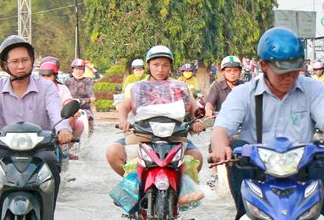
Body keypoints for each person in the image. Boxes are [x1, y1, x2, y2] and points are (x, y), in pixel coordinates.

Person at [210, 27, 324, 220]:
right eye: (282, 73)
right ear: (264, 66)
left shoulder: (314, 89)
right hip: (256, 169)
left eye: (294, 72)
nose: (289, 78)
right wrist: (220, 148)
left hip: (301, 168)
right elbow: (222, 128)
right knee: (236, 148)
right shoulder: (243, 93)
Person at [0, 35, 72, 220]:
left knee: (52, 163)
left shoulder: (46, 87)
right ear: (5, 65)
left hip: (39, 149)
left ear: (32, 61)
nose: (20, 65)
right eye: (14, 61)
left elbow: (56, 112)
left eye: (25, 60)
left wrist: (63, 130)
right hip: (5, 150)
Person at [106, 45, 205, 177]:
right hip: (143, 132)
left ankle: (182, 190)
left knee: (197, 158)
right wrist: (123, 121)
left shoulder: (180, 87)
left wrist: (197, 121)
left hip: (175, 134)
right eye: (156, 64)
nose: (160, 69)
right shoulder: (138, 87)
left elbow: (194, 108)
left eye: (165, 65)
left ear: (170, 67)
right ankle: (133, 183)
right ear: (149, 65)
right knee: (113, 152)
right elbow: (124, 106)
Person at [39, 58, 84, 145]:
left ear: (55, 76)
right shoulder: (34, 89)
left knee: (78, 123)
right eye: (43, 76)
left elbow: (68, 101)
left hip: (59, 120)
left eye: (48, 76)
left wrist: (72, 111)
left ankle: (66, 149)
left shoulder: (62, 88)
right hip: (40, 121)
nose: (45, 79)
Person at [64, 57, 95, 131]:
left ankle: (89, 138)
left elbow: (93, 98)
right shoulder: (67, 81)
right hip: (70, 109)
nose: (78, 71)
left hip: (84, 108)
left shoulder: (88, 81)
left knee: (89, 119)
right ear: (73, 70)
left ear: (84, 70)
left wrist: (83, 101)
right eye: (76, 69)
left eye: (80, 69)